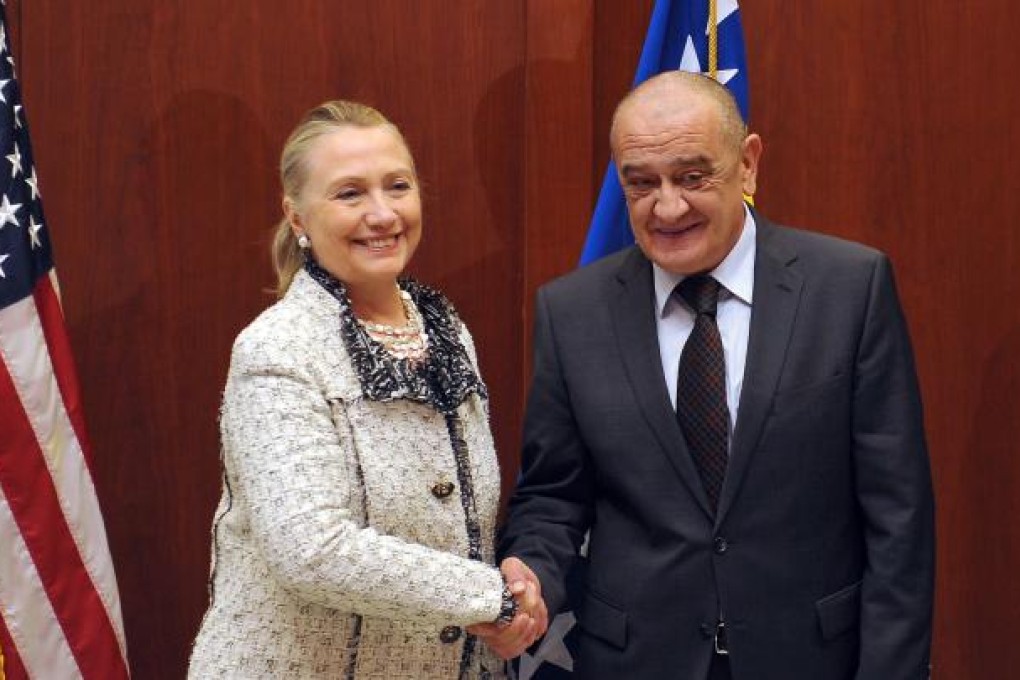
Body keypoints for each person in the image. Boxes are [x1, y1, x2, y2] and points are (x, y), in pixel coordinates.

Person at [491, 72, 935, 679]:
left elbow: (898, 517)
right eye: (641, 183)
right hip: (637, 661)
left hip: (810, 659)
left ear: (748, 165)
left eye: (693, 176)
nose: (667, 207)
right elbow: (553, 495)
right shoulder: (571, 313)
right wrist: (529, 570)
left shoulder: (849, 289)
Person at [188, 100, 545, 679]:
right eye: (350, 194)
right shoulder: (276, 350)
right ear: (297, 217)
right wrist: (490, 596)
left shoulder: (446, 330)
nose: (382, 213)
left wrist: (516, 586)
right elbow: (311, 550)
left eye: (397, 186)